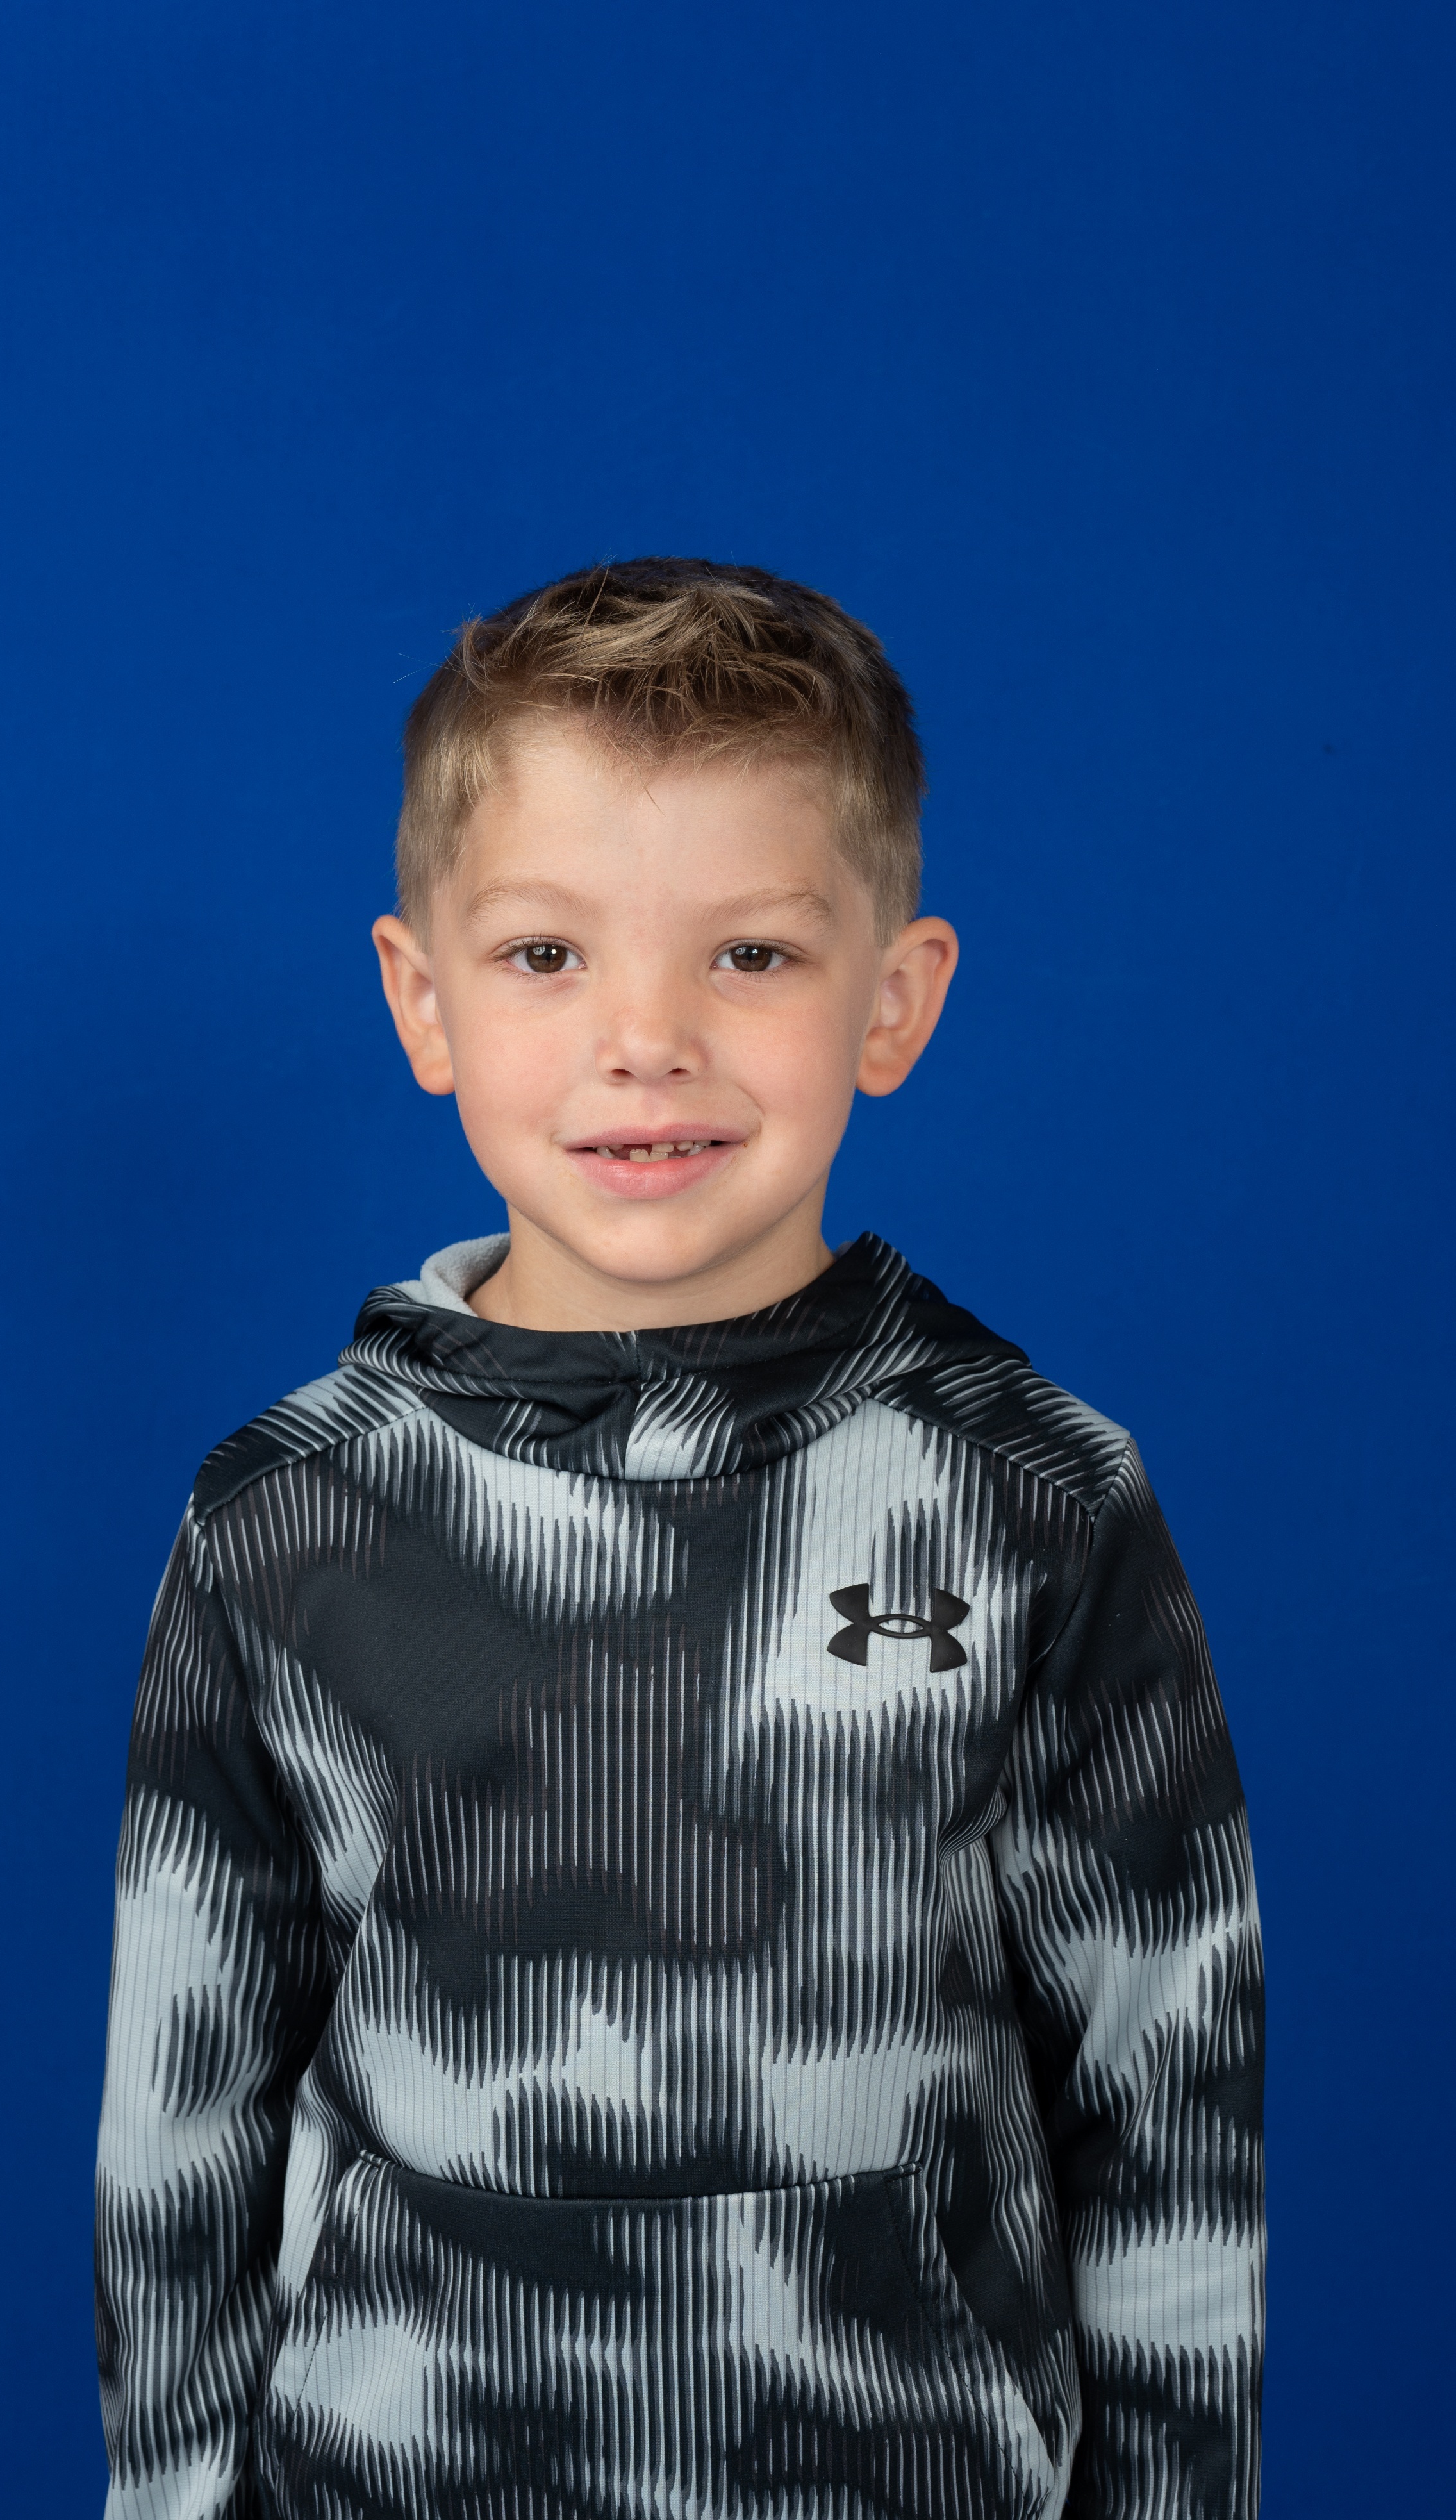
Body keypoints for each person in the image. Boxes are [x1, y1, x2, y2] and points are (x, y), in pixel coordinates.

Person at [94, 558, 1265, 2520]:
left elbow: (1173, 2102)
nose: (646, 1038)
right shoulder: (285, 1518)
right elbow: (178, 2120)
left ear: (894, 998)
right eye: (548, 953)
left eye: (753, 955)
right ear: (423, 998)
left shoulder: (1037, 1499)